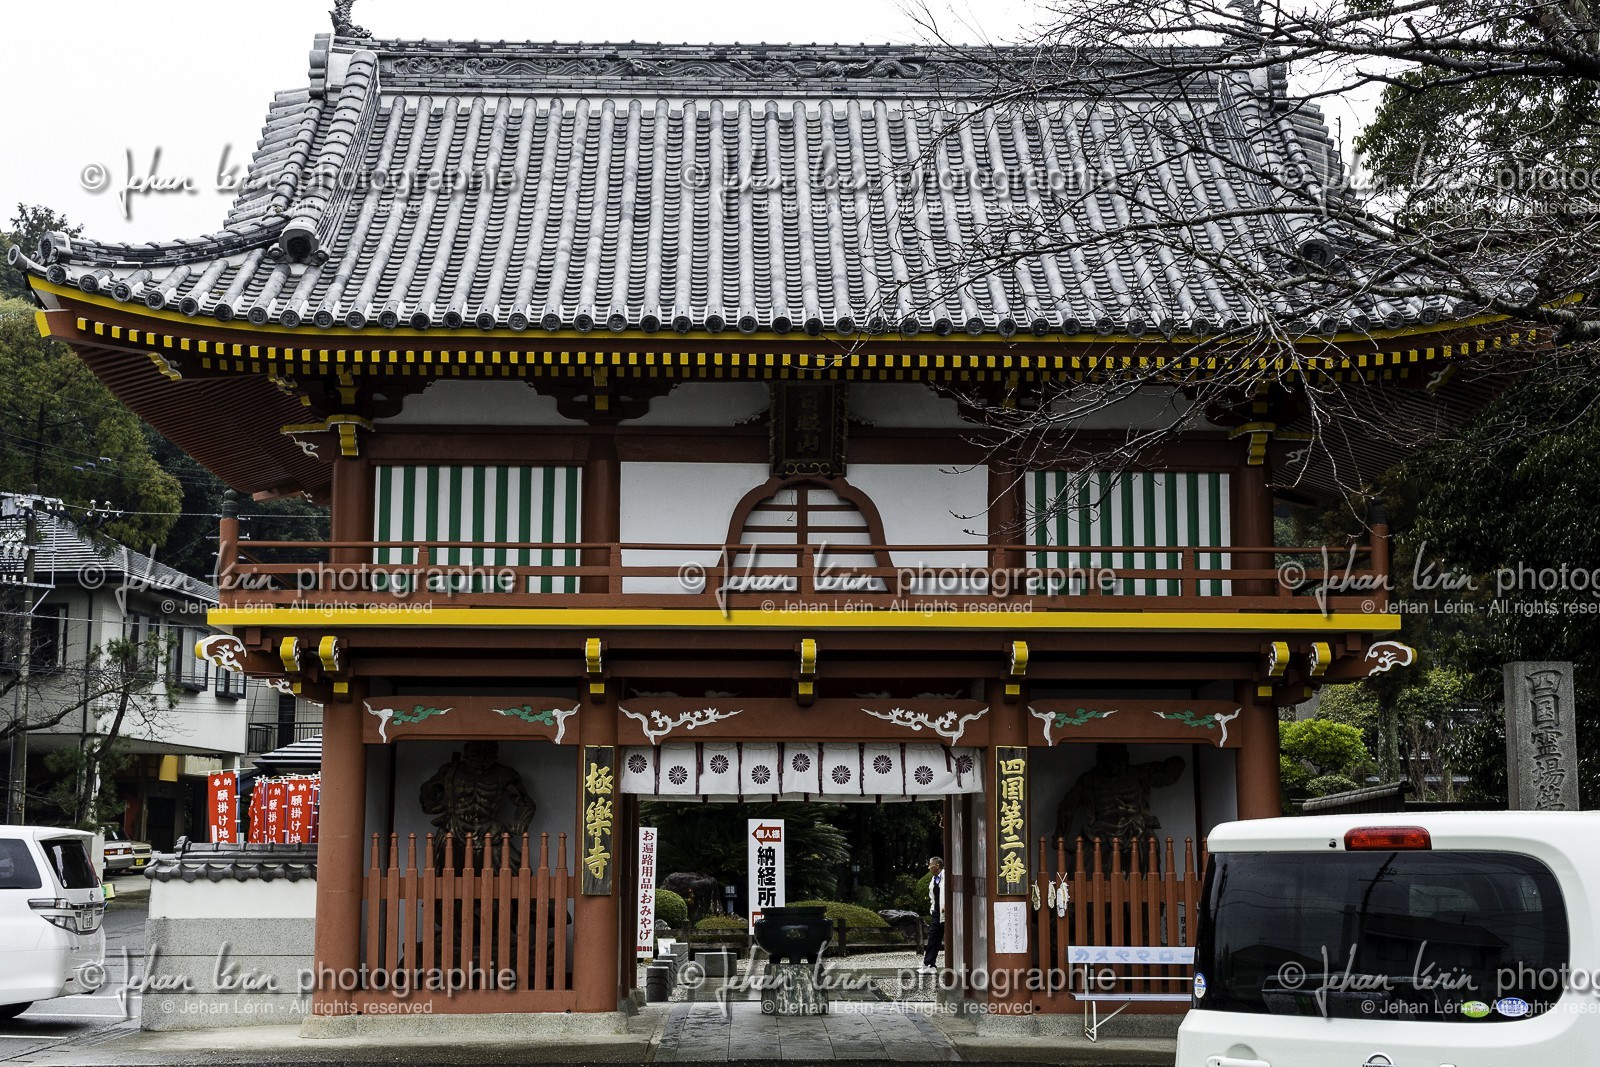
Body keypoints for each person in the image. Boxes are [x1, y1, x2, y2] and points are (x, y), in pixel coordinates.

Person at [922, 856, 946, 970]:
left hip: (947, 913)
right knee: (933, 937)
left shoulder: (946, 877)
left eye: (930, 865)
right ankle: (929, 963)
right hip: (937, 912)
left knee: (949, 938)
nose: (928, 867)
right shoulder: (934, 879)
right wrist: (933, 909)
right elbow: (932, 896)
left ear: (937, 866)